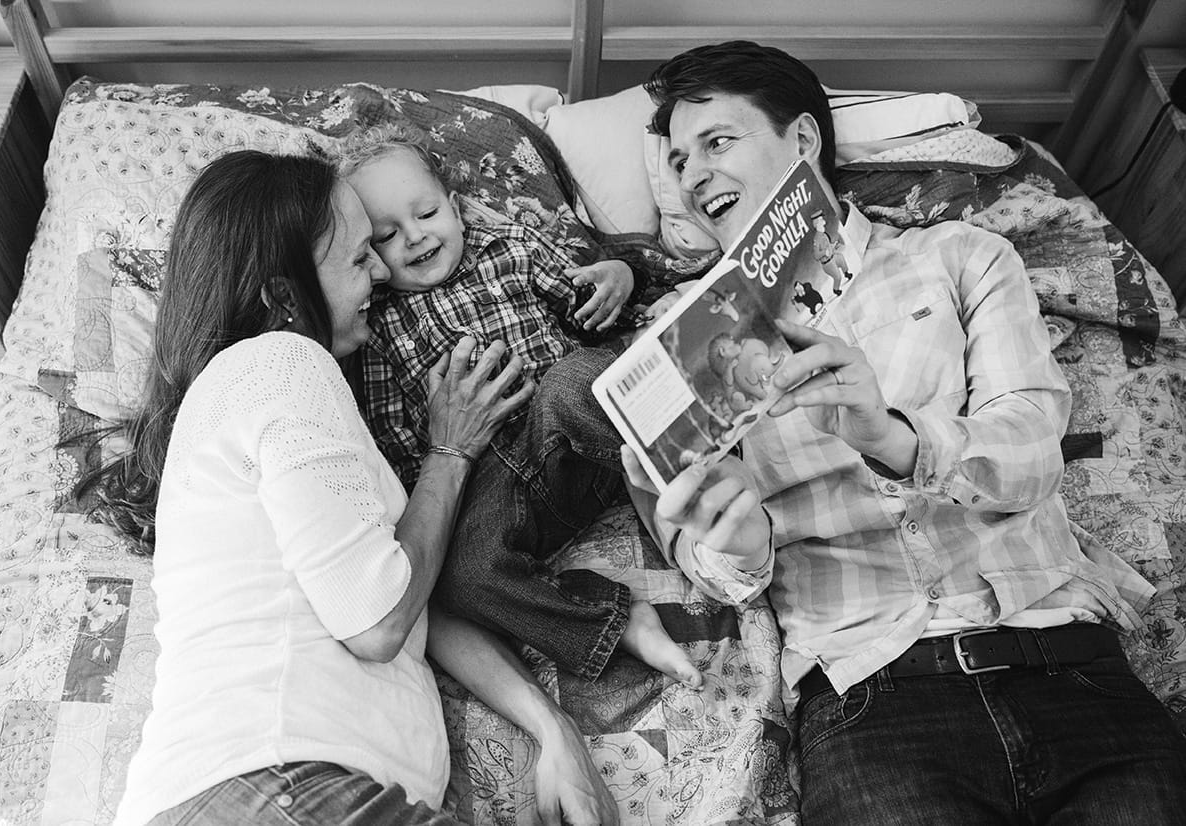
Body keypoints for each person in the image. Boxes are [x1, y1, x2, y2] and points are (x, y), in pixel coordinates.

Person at [623, 40, 1186, 825]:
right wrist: (737, 544)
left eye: (717, 142)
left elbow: (1029, 449)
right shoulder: (677, 346)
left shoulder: (958, 256)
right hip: (872, 698)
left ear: (803, 141)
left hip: (1063, 658)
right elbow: (710, 567)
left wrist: (890, 436)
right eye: (679, 161)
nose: (692, 177)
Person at [77, 150, 618, 826]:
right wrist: (450, 452)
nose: (382, 275)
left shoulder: (270, 398)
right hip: (282, 784)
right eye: (361, 257)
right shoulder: (281, 362)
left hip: (276, 789)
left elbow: (415, 592)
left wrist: (552, 729)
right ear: (282, 297)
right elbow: (377, 619)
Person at [342, 124, 702, 687]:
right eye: (387, 234)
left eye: (427, 214)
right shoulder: (379, 325)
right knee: (459, 580)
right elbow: (394, 446)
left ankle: (698, 455)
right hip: (500, 491)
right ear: (369, 254)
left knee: (580, 376)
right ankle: (612, 618)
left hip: (582, 438)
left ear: (458, 209)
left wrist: (621, 277)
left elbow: (599, 306)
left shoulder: (510, 248)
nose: (414, 238)